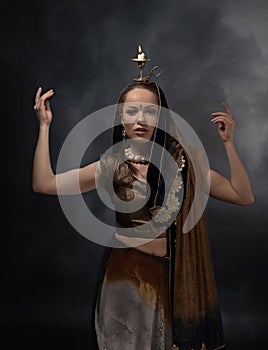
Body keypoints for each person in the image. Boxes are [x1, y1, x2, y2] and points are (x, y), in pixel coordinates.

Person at [32, 48, 254, 350]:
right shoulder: (110, 166)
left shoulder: (184, 165)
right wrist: (44, 127)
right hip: (124, 281)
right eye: (132, 111)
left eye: (150, 111)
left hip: (170, 281)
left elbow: (242, 196)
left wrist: (229, 144)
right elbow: (44, 183)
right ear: (121, 118)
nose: (141, 119)